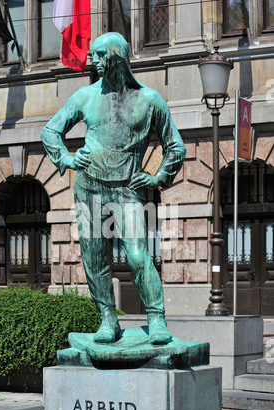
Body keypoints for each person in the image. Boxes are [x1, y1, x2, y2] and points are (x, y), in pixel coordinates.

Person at [41, 33, 186, 345]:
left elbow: (175, 147)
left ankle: (156, 319)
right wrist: (65, 157)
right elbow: (50, 131)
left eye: (101, 55)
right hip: (89, 187)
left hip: (128, 189)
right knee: (94, 259)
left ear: (118, 57)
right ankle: (109, 319)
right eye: (94, 54)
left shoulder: (149, 100)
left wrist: (158, 177)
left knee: (137, 255)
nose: (95, 61)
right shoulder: (85, 97)